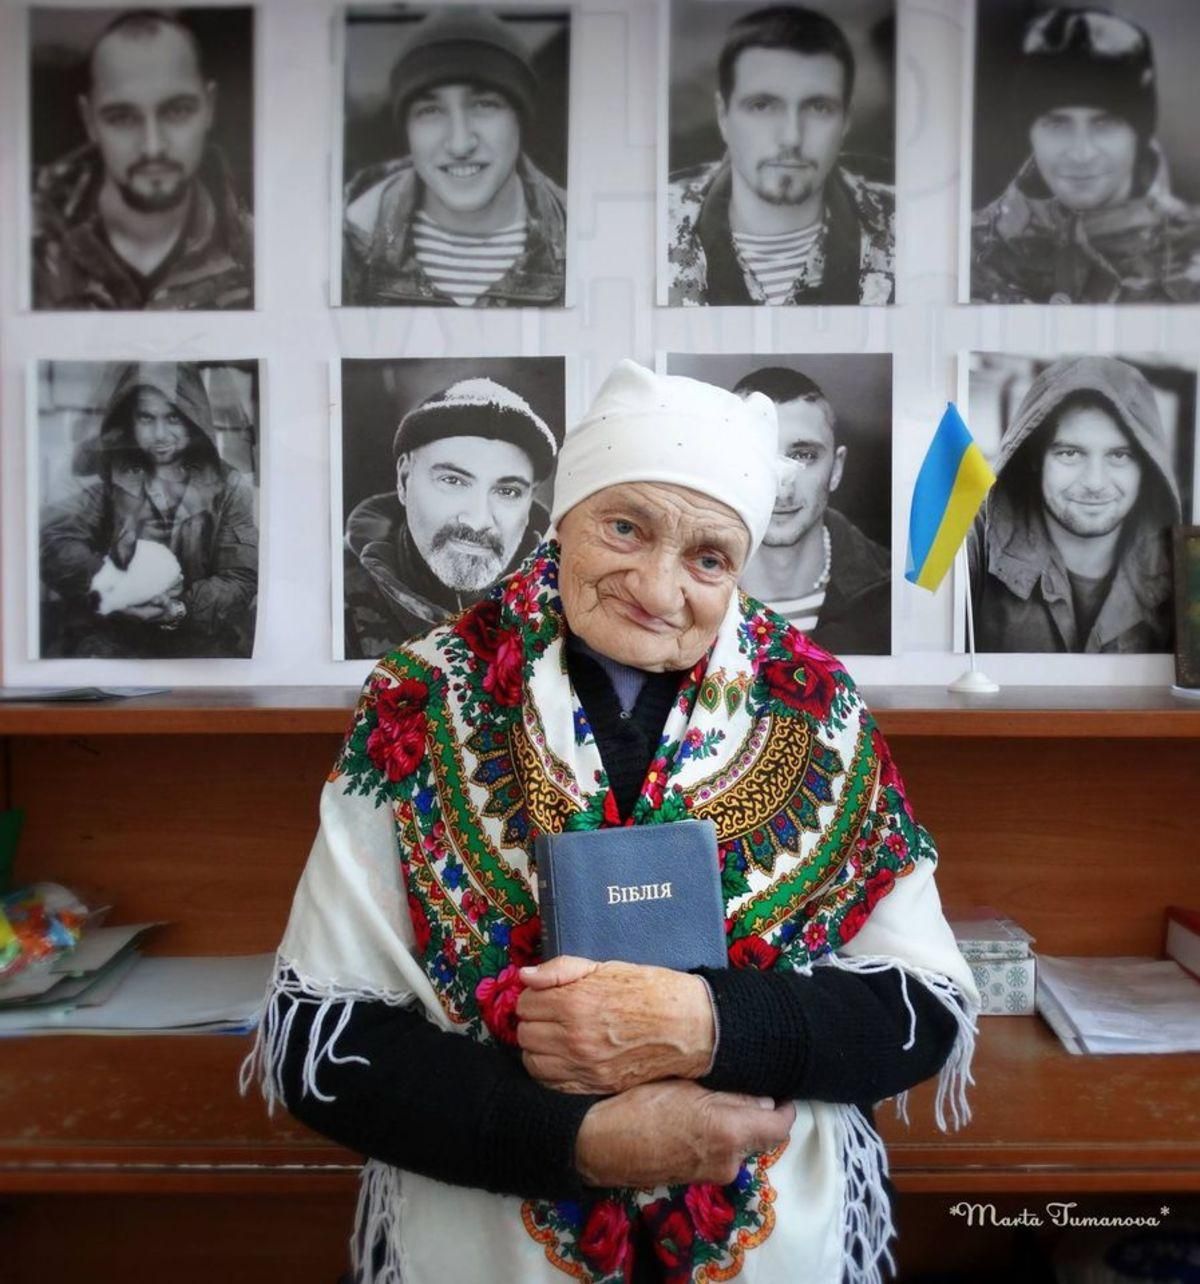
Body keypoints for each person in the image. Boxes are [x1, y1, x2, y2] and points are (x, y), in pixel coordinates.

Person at [245, 360, 978, 1284]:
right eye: (626, 526)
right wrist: (584, 1141)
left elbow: (919, 1009)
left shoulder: (819, 706)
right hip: (481, 1243)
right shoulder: (418, 699)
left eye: (708, 557)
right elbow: (326, 1038)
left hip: (778, 1242)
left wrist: (712, 1024)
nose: (660, 588)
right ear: (563, 519)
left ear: (740, 566)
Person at [666, 5, 894, 306]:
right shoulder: (653, 227)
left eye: (818, 108)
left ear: (845, 121)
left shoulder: (910, 226)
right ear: (723, 116)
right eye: (762, 106)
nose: (792, 137)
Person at [970, 6, 1200, 304]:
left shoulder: (1190, 254)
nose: (1081, 152)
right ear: (1029, 131)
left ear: (1139, 132)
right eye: (1057, 123)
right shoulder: (969, 248)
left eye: (1105, 124)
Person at [342, 6, 567, 307]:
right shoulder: (347, 246)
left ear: (519, 118)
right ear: (407, 130)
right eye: (430, 111)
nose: (460, 144)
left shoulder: (584, 240)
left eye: (484, 104)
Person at [32, 9, 253, 311]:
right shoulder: (27, 248)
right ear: (89, 121)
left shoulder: (263, 253)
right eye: (122, 117)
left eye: (177, 111)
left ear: (209, 108)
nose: (152, 147)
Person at [40, 362, 258, 658]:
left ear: (193, 419)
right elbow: (55, 541)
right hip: (116, 640)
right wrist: (115, 587)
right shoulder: (107, 477)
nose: (160, 434)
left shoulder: (229, 485)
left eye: (173, 418)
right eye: (146, 418)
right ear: (129, 419)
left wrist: (177, 610)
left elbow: (240, 576)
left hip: (202, 646)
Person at [968, 355, 1181, 653]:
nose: (1095, 483)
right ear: (1033, 458)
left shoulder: (1183, 566)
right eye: (1070, 454)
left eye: (1119, 455)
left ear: (1146, 466)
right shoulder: (973, 543)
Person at [343, 376, 563, 658]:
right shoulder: (338, 600)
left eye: (507, 491)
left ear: (530, 499)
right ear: (404, 479)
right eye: (453, 481)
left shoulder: (565, 603)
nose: (478, 520)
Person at [733, 365, 890, 653]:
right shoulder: (679, 593)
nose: (782, 489)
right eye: (758, 454)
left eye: (803, 456)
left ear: (836, 469)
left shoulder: (894, 595)